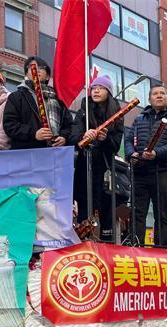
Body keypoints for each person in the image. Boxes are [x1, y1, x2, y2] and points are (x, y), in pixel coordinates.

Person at [124, 85, 167, 246]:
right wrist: (131, 154)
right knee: (137, 212)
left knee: (161, 213)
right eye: (155, 94)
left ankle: (161, 248)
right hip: (140, 171)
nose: (159, 96)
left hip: (163, 171)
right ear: (149, 99)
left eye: (162, 93)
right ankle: (135, 246)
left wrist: (156, 153)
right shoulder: (139, 119)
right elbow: (128, 140)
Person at [73, 75, 124, 241]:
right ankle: (83, 241)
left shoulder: (117, 114)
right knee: (84, 208)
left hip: (105, 169)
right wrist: (84, 135)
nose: (96, 91)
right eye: (94, 88)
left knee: (106, 208)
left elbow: (115, 145)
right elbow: (73, 137)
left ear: (108, 92)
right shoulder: (83, 111)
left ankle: (106, 244)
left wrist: (105, 139)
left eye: (101, 88)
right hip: (85, 166)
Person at [3, 56, 74, 150]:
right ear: (26, 74)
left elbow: (69, 125)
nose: (36, 70)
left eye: (40, 67)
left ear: (48, 76)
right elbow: (9, 125)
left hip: (54, 151)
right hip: (26, 151)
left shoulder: (58, 101)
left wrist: (64, 137)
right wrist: (34, 134)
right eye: (31, 67)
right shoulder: (16, 97)